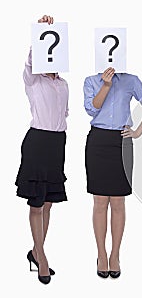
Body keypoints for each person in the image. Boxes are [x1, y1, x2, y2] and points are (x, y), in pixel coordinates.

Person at [84, 67, 142, 278]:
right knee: (99, 201)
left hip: (122, 142)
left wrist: (137, 132)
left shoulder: (131, 80)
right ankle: (101, 254)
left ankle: (115, 254)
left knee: (117, 202)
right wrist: (106, 86)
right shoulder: (91, 80)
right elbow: (91, 109)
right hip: (98, 141)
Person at [15, 15, 69, 285]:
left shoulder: (63, 84)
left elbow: (64, 115)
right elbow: (29, 61)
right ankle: (42, 257)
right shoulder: (33, 79)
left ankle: (36, 250)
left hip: (58, 144)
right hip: (37, 141)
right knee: (36, 201)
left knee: (48, 201)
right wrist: (41, 31)